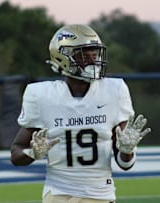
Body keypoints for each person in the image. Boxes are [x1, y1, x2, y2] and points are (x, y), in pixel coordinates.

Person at [10, 24, 151, 203]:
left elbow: (125, 164)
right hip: (57, 194)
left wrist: (127, 150)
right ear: (63, 57)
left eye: (95, 53)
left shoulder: (114, 90)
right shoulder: (41, 96)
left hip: (98, 195)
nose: (93, 60)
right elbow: (16, 154)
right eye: (85, 55)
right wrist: (32, 153)